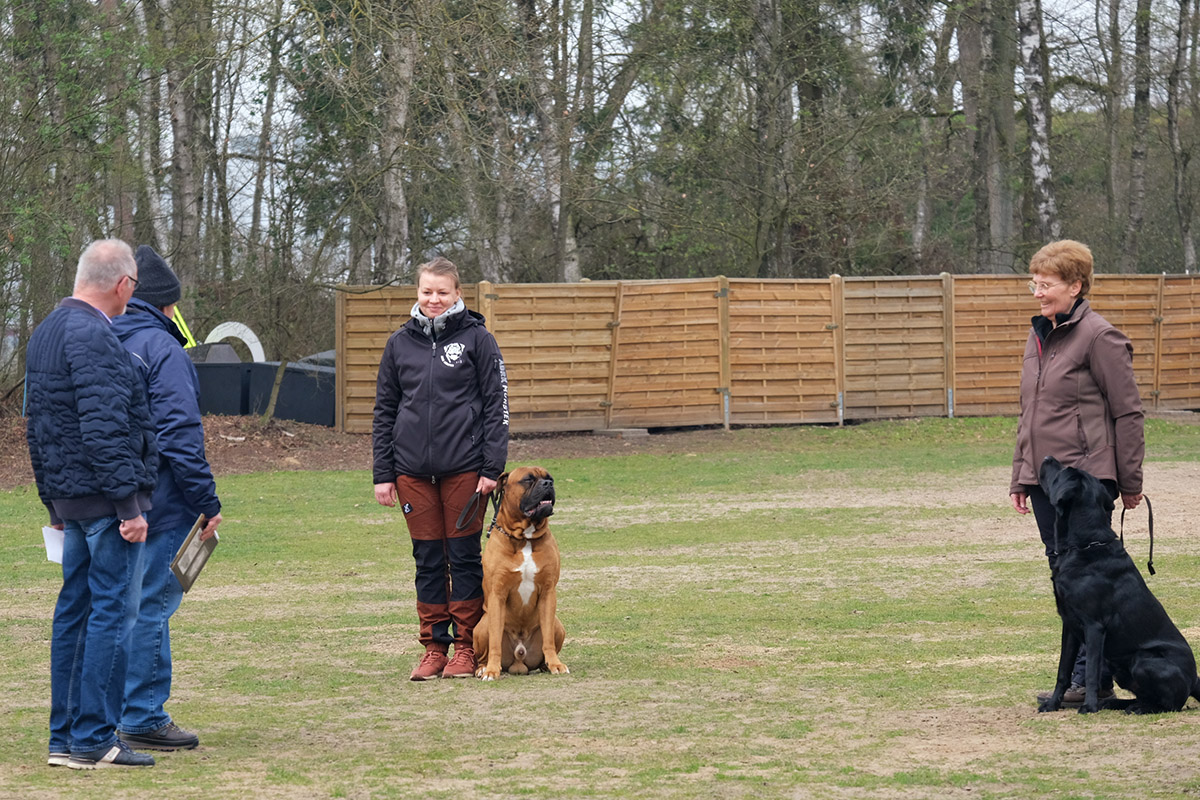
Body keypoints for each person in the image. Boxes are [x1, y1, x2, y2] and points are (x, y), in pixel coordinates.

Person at [25, 239, 159, 769]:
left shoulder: (46, 331)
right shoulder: (95, 335)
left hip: (71, 499)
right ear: (123, 284)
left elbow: (37, 427)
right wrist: (129, 507)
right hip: (105, 503)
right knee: (109, 614)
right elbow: (105, 429)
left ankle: (66, 737)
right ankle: (94, 738)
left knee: (74, 613)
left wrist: (52, 502)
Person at [1009, 239, 1145, 705]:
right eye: (1034, 283)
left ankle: (1094, 678)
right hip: (1048, 480)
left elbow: (1128, 413)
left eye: (1045, 285)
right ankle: (1086, 676)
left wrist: (1129, 482)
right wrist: (1022, 476)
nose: (1036, 293)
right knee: (1062, 573)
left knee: (1090, 578)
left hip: (1087, 479)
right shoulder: (1038, 335)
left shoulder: (1100, 336)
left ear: (1075, 285)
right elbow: (1030, 413)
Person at [372, 257, 509, 680]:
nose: (434, 299)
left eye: (442, 292)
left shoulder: (478, 339)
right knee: (428, 560)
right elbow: (384, 411)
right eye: (427, 291)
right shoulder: (399, 343)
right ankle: (434, 646)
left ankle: (467, 648)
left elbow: (496, 406)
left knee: (464, 558)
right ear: (418, 292)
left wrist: (492, 466)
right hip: (411, 473)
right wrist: (383, 472)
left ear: (457, 294)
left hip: (466, 470)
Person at [112, 245, 221, 751]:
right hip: (161, 501)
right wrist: (207, 499)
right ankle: (143, 715)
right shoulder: (163, 349)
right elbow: (180, 434)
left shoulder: (98, 340)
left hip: (107, 500)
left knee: (113, 605)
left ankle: (105, 712)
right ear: (166, 305)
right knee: (151, 605)